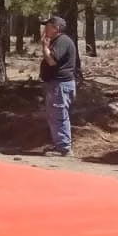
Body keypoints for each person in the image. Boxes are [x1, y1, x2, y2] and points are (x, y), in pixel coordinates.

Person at [39, 14, 79, 157]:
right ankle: (60, 144)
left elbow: (52, 61)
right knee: (55, 115)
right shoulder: (58, 41)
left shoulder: (62, 41)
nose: (45, 29)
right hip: (56, 84)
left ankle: (64, 147)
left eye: (48, 26)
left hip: (60, 84)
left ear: (56, 28)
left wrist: (44, 47)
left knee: (59, 115)